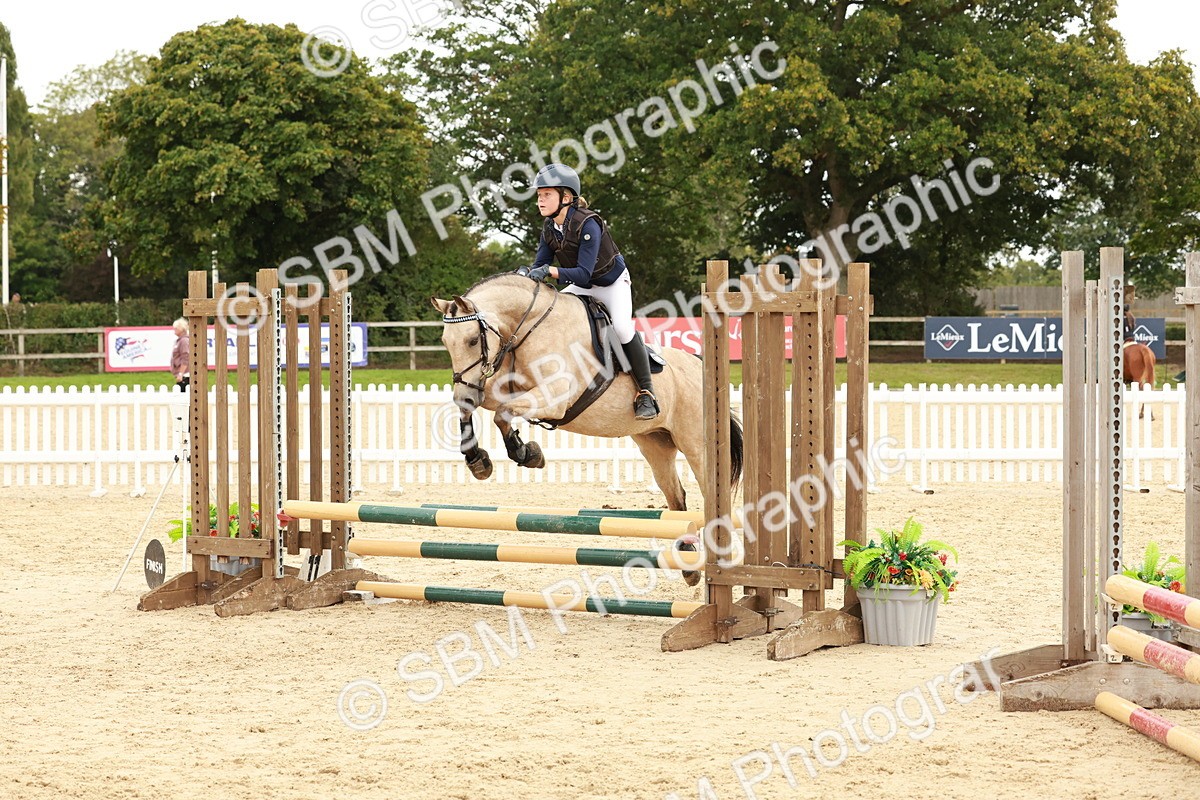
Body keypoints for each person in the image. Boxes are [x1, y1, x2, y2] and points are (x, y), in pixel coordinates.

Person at [517, 163, 659, 420]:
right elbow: (541, 264)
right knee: (552, 311)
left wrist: (549, 271)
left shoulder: (588, 224)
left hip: (612, 284)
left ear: (566, 197)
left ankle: (646, 393)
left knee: (623, 328)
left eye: (546, 194)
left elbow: (583, 272)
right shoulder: (550, 227)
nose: (540, 200)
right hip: (583, 284)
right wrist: (527, 274)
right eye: (539, 195)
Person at [170, 318, 190, 392]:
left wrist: (181, 373)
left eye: (176, 328)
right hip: (183, 374)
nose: (174, 329)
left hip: (185, 375)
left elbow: (185, 357)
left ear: (181, 329)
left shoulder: (184, 341)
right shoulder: (180, 340)